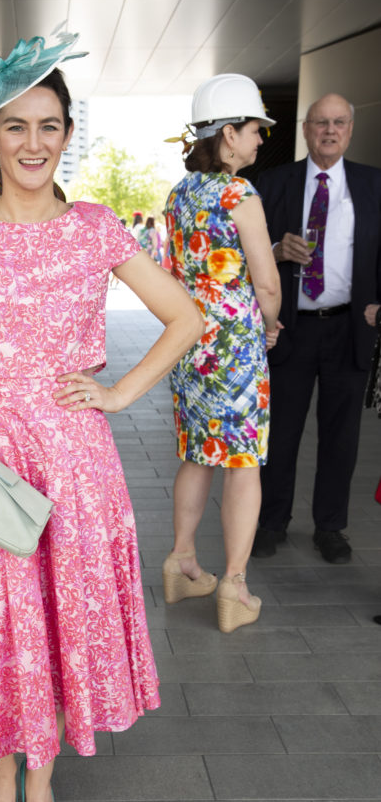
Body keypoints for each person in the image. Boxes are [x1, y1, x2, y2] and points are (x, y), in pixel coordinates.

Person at [0, 27, 203, 802]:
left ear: (67, 134)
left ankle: (40, 769)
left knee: (58, 615)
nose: (33, 143)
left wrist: (117, 391)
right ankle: (2, 769)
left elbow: (185, 316)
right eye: (16, 126)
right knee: (1, 618)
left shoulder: (94, 228)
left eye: (49, 126)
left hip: (77, 460)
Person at [161, 74, 281, 633]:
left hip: (189, 342)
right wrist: (272, 325)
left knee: (196, 451)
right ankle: (234, 586)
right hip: (235, 346)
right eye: (256, 130)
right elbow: (268, 283)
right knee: (243, 462)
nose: (260, 141)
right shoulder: (240, 194)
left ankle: (182, 562)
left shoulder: (179, 193)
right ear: (229, 134)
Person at [251, 94, 381, 564]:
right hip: (291, 326)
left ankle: (330, 527)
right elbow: (246, 250)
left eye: (339, 123)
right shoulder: (274, 181)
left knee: (341, 436)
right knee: (280, 431)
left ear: (350, 129)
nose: (330, 130)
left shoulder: (372, 184)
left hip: (349, 326)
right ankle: (271, 522)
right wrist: (275, 248)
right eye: (321, 123)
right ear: (306, 130)